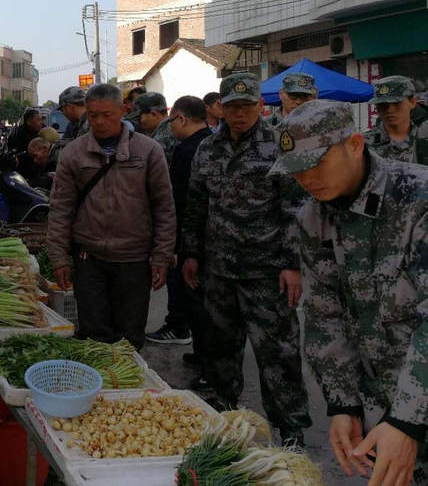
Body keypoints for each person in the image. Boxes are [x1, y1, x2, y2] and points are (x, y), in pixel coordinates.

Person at [271, 99, 428, 485]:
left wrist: (408, 421)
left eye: (316, 163)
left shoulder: (418, 198)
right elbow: (326, 317)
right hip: (381, 412)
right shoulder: (313, 218)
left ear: (355, 144)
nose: (305, 178)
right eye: (295, 170)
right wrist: (343, 404)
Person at [182, 72, 311, 446]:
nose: (240, 114)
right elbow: (196, 205)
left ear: (260, 106)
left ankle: (291, 430)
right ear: (221, 107)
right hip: (219, 269)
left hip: (267, 271)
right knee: (221, 346)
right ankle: (224, 414)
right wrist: (190, 254)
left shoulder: (280, 145)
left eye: (247, 106)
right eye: (233, 106)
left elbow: (295, 209)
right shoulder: (208, 149)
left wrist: (292, 265)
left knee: (278, 355)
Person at [46, 84, 175, 349]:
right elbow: (60, 208)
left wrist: (161, 256)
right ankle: (99, 389)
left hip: (134, 259)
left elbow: (164, 207)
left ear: (123, 111)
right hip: (88, 259)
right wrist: (59, 258)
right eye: (93, 115)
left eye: (107, 114)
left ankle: (130, 388)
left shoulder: (149, 151)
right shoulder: (74, 153)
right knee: (94, 336)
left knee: (129, 337)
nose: (99, 122)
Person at [146, 97, 214, 380]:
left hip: (193, 239)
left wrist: (176, 245)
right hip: (207, 238)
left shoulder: (188, 150)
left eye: (172, 121)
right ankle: (202, 354)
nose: (171, 127)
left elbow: (184, 201)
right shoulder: (211, 142)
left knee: (197, 303)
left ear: (181, 119)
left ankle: (208, 364)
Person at [363, 75, 428, 165]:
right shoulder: (363, 143)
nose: (390, 110)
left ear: (412, 102)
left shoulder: (423, 139)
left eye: (396, 103)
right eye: (383, 104)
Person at [128, 92, 179, 165]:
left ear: (153, 114)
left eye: (139, 118)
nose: (138, 122)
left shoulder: (161, 139)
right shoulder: (173, 128)